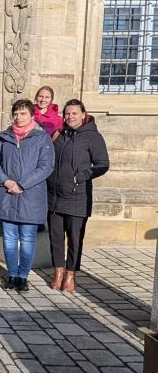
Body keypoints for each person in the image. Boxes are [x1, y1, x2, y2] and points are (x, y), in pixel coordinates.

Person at [0, 98, 55, 293]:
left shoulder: (41, 138)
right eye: (16, 113)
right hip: (7, 194)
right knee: (9, 238)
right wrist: (6, 181)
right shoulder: (4, 137)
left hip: (30, 196)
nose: (18, 117)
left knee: (27, 239)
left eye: (23, 113)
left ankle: (23, 276)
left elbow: (46, 166)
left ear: (32, 115)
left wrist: (22, 184)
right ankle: (11, 274)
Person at [47, 99, 109, 293]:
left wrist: (80, 176)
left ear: (83, 114)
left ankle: (70, 274)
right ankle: (58, 272)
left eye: (74, 113)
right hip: (54, 196)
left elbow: (102, 164)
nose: (70, 117)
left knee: (74, 239)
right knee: (56, 238)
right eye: (67, 113)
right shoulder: (60, 135)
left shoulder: (93, 137)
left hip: (78, 197)